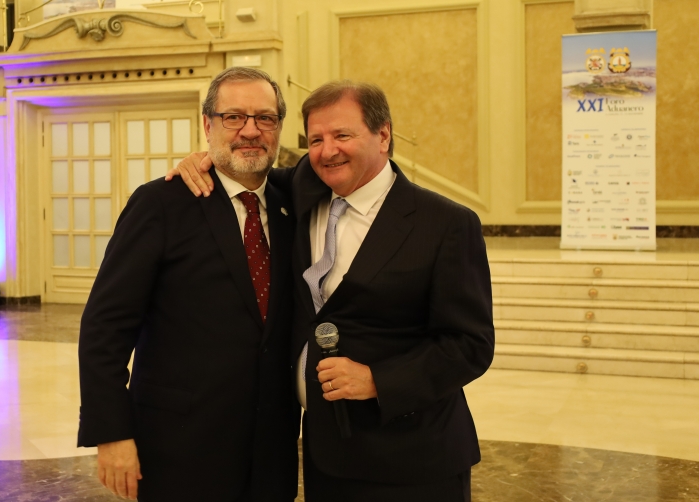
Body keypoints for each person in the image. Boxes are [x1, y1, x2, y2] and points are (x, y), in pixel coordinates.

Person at [171, 80, 495, 501]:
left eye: (342, 135)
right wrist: (201, 161)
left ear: (383, 135)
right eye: (316, 140)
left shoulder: (446, 224)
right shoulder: (300, 191)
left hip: (413, 460)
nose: (327, 151)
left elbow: (470, 345)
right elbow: (242, 166)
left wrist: (378, 380)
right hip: (328, 458)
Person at [77, 67, 300, 502]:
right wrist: (112, 433)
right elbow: (105, 326)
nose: (250, 130)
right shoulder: (161, 204)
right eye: (233, 117)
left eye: (265, 118)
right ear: (207, 125)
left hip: (269, 452)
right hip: (179, 448)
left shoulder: (294, 201)